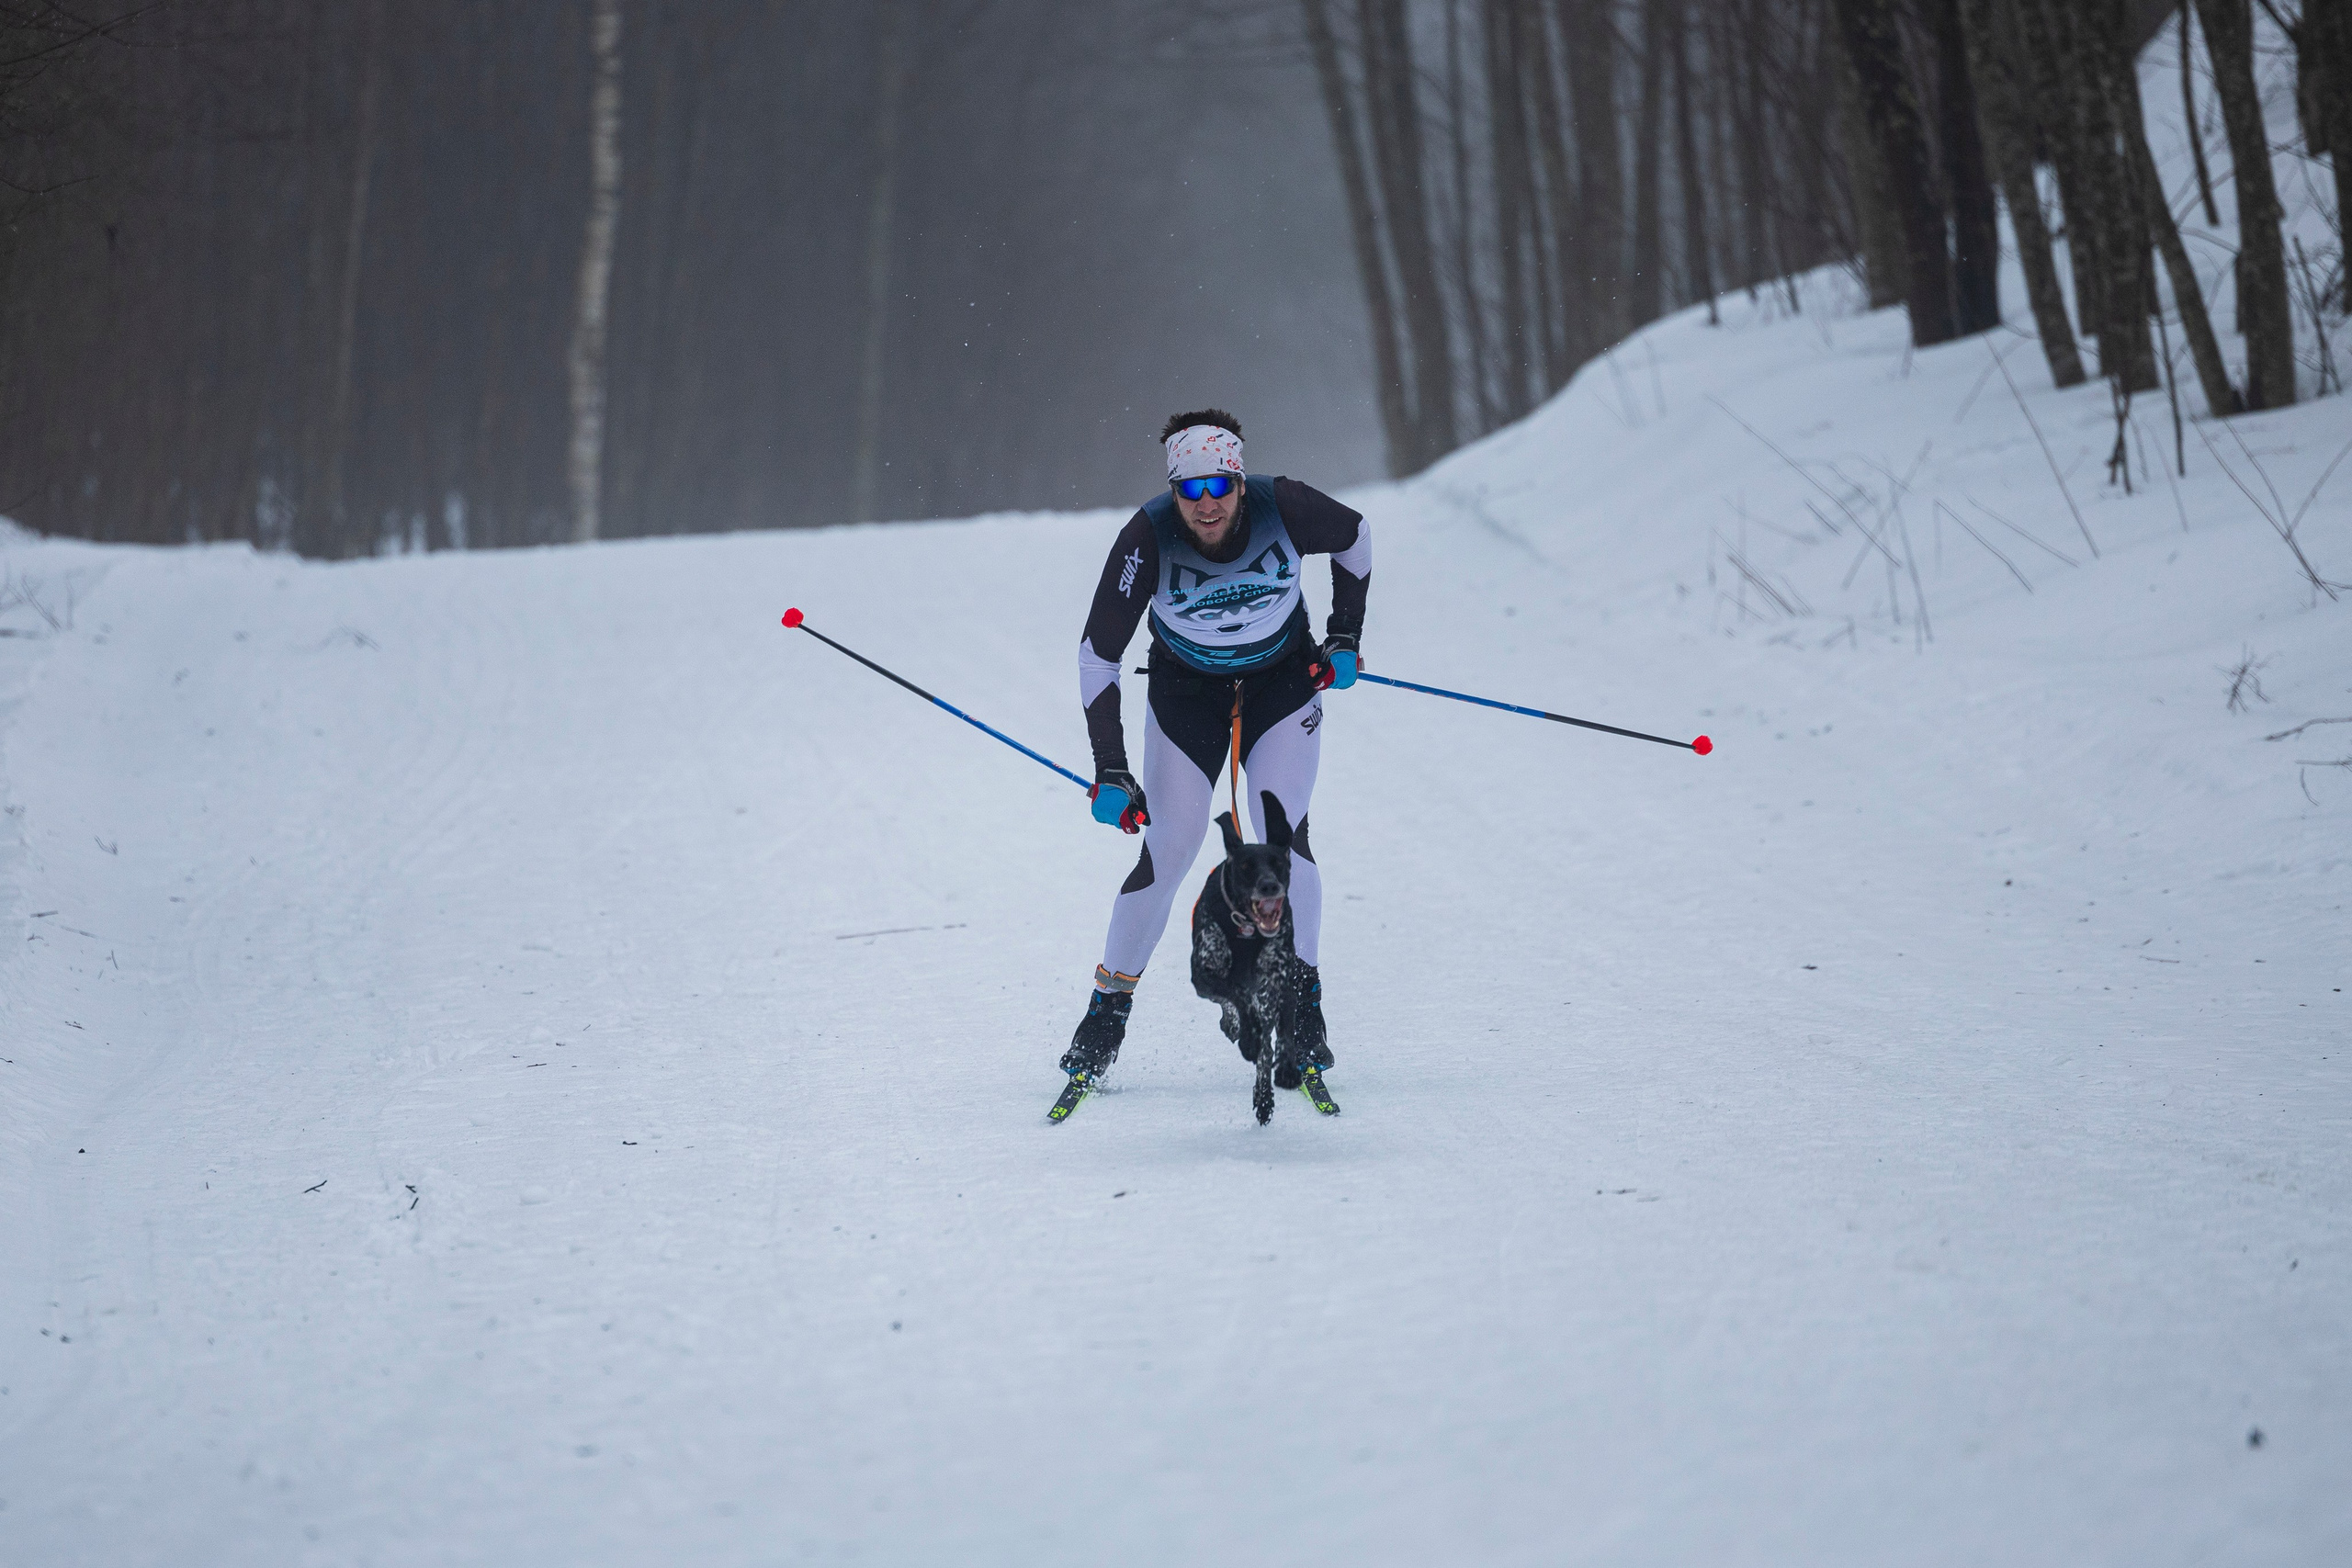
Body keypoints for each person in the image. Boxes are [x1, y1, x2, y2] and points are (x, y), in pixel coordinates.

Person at [1060, 409, 1370, 1086]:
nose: (1207, 506)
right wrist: (1110, 768)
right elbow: (1096, 656)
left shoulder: (1284, 505)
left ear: (1239, 480)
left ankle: (1304, 1007)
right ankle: (1106, 1012)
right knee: (1171, 845)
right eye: (1190, 491)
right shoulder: (1146, 537)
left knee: (1283, 836)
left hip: (1282, 685)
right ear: (1174, 491)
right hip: (1186, 693)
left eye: (1220, 487)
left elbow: (1355, 536)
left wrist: (1345, 634)